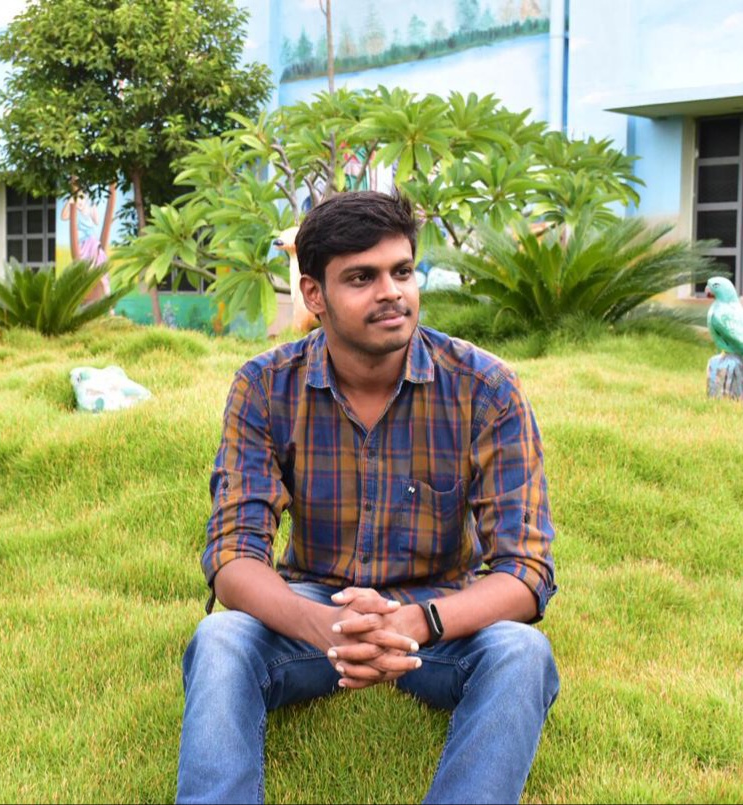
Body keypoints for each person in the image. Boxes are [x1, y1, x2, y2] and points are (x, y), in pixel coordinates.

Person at [176, 191, 559, 805]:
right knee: (221, 641)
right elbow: (232, 557)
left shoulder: (485, 388)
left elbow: (526, 571)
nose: (392, 293)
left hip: (439, 615)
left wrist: (416, 623)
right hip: (315, 606)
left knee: (522, 652)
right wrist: (324, 626)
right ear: (314, 294)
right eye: (362, 278)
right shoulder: (265, 387)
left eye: (402, 272)